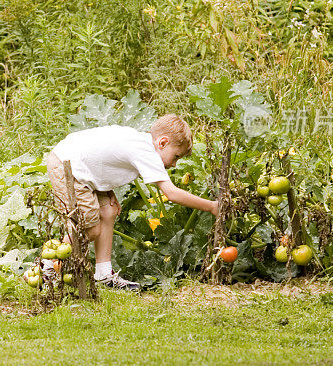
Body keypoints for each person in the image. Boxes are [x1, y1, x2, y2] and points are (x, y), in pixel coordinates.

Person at [46, 114, 219, 290]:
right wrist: (212, 206)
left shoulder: (141, 142)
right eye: (175, 156)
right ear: (163, 143)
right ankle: (45, 264)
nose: (174, 164)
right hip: (67, 166)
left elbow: (102, 155)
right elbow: (171, 193)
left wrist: (107, 189)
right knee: (90, 229)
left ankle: (103, 274)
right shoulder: (147, 152)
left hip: (80, 163)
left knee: (109, 210)